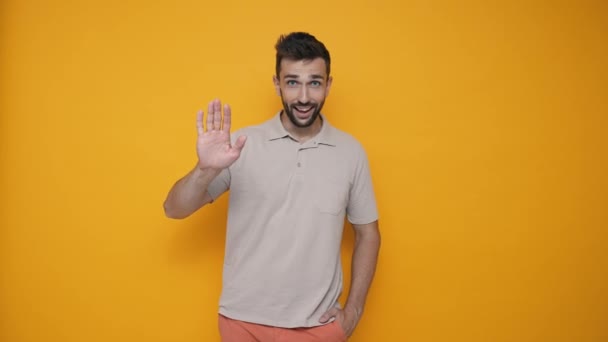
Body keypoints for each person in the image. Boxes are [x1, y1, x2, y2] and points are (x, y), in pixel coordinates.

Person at [164, 32, 380, 342]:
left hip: (317, 326)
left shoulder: (350, 152)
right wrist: (205, 169)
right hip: (242, 322)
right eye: (292, 82)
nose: (304, 96)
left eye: (314, 82)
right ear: (277, 84)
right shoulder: (241, 146)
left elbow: (368, 233)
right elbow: (174, 209)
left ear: (328, 85)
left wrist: (353, 311)